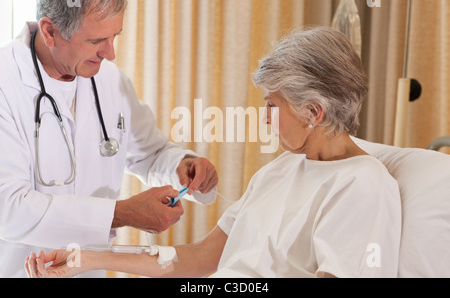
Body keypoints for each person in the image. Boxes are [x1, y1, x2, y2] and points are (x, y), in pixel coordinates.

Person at [25, 27, 402, 278]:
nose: (266, 119)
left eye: (272, 105)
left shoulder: (362, 186)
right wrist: (85, 259)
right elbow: (198, 258)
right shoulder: (279, 171)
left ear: (313, 111)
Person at [0, 0, 218, 278]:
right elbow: (8, 207)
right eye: (95, 41)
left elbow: (150, 154)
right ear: (50, 31)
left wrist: (183, 165)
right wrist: (122, 213)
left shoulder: (109, 80)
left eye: (114, 36)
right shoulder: (5, 83)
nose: (110, 53)